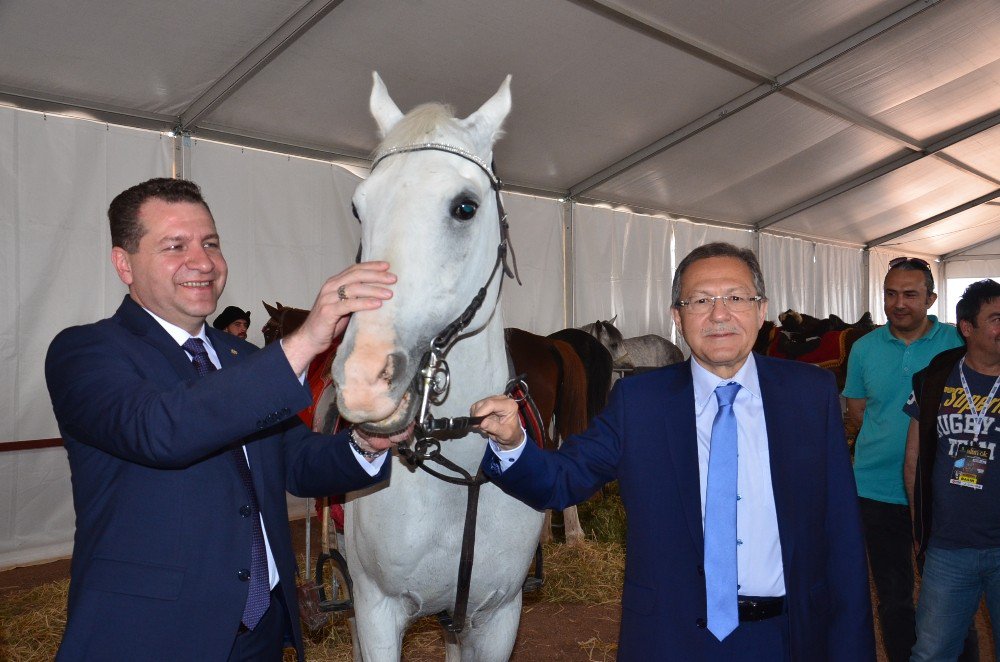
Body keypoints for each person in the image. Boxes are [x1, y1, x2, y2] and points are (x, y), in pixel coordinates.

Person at [44, 177, 397, 661]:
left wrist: (367, 443)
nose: (203, 261)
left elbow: (295, 461)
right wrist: (304, 341)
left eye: (210, 242)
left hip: (260, 628)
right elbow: (161, 430)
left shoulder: (241, 357)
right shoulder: (86, 351)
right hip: (154, 635)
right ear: (124, 263)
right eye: (176, 245)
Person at [472, 242, 875, 661]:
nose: (719, 314)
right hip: (670, 639)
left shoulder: (810, 393)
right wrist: (512, 441)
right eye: (700, 300)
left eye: (736, 298)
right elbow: (562, 479)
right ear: (677, 318)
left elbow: (840, 529)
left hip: (787, 637)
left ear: (761, 310)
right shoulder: (639, 401)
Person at [842, 257, 965, 662]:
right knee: (894, 598)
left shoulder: (957, 344)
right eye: (891, 294)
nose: (899, 303)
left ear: (930, 298)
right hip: (876, 490)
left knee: (951, 598)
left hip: (941, 491)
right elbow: (857, 411)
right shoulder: (863, 348)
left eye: (910, 294)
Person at [904, 279, 1000, 661]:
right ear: (967, 327)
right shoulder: (934, 379)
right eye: (996, 318)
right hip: (948, 547)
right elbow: (913, 459)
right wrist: (918, 527)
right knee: (931, 653)